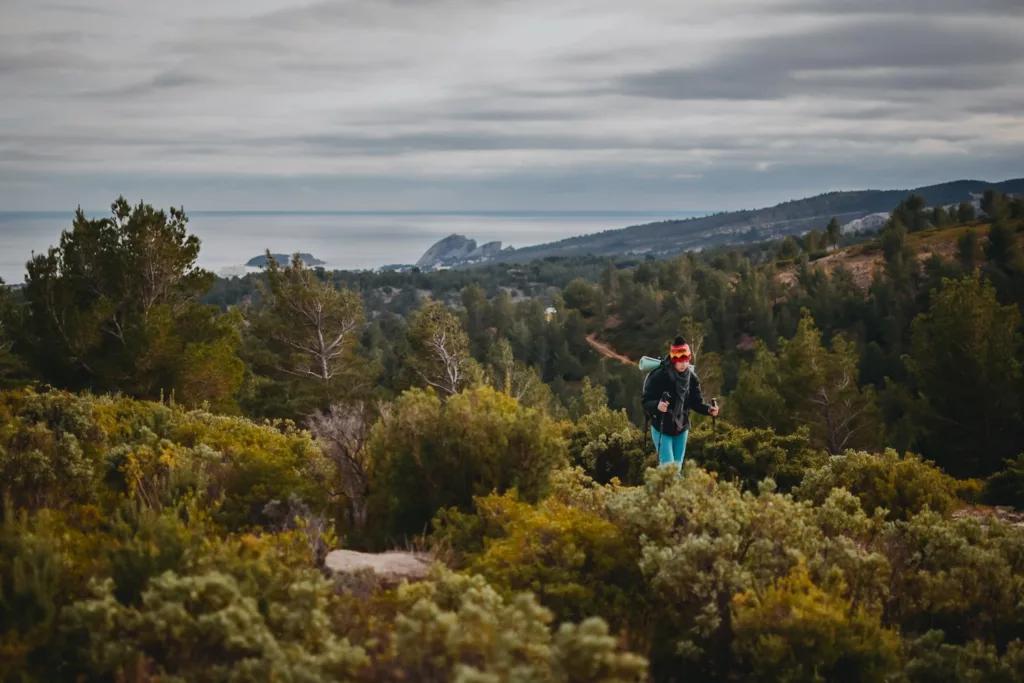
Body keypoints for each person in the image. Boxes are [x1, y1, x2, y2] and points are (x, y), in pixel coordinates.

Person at [641, 337, 719, 473]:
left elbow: (696, 402)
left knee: (675, 470)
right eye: (681, 361)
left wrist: (708, 409)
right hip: (662, 428)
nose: (685, 364)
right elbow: (645, 401)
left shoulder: (691, 378)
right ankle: (658, 493)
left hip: (681, 428)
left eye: (687, 361)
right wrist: (657, 406)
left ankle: (653, 492)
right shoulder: (659, 376)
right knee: (669, 471)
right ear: (673, 360)